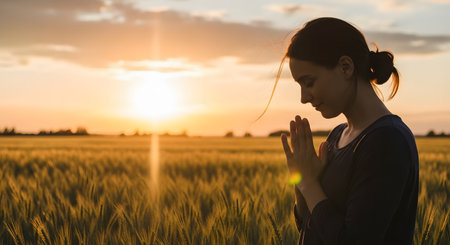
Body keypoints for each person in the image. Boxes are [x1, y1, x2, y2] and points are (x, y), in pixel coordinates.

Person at [273, 17, 419, 244]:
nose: (303, 98)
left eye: (309, 82)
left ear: (345, 67)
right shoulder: (337, 136)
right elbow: (309, 226)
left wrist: (310, 184)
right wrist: (300, 180)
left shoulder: (387, 141)